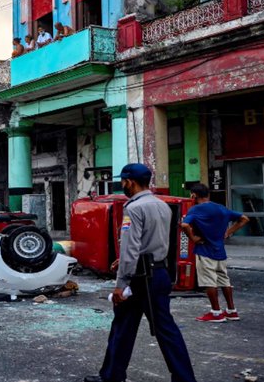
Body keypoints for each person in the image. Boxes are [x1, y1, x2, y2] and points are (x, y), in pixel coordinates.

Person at [84, 163, 197, 382]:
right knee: (160, 329)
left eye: (123, 182)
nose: (122, 185)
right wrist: (127, 261)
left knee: (127, 328)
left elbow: (131, 246)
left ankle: (112, 376)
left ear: (130, 182)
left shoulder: (133, 208)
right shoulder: (162, 205)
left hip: (140, 278)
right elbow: (154, 241)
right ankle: (182, 378)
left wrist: (120, 284)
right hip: (159, 273)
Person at [181, 183, 249, 323]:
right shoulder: (221, 208)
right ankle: (232, 310)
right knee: (224, 281)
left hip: (205, 250)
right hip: (220, 251)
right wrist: (228, 232)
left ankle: (216, 312)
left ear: (193, 195)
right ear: (208, 195)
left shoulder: (195, 209)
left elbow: (185, 225)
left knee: (209, 282)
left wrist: (193, 238)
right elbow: (244, 218)